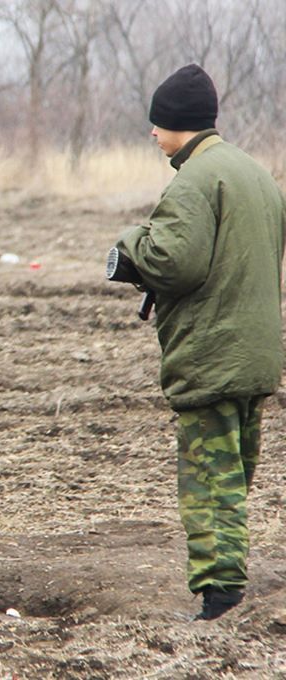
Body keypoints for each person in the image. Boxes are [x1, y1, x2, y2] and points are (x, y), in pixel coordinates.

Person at [110, 64, 286, 621]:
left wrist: (131, 242)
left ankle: (220, 595)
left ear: (175, 124)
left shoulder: (194, 180)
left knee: (210, 482)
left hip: (213, 354)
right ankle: (228, 583)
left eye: (155, 124)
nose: (152, 134)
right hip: (254, 351)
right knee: (233, 475)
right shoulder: (255, 174)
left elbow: (173, 263)